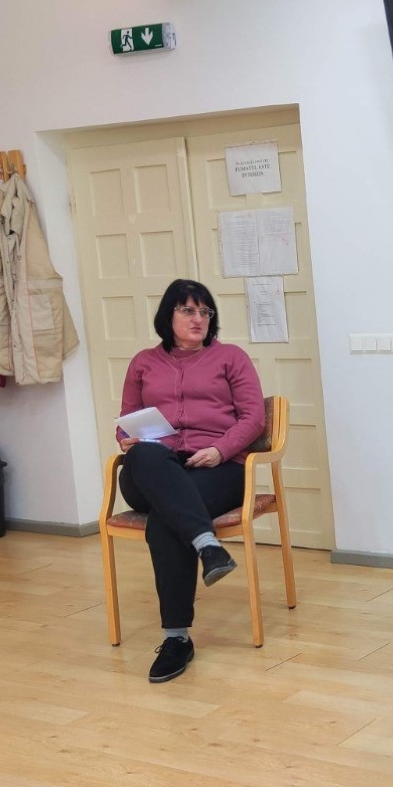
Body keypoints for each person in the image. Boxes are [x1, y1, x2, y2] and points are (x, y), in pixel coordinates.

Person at [117, 279, 265, 684]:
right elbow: (126, 420)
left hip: (216, 469)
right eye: (187, 310)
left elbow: (254, 417)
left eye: (204, 311)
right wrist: (128, 439)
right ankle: (207, 546)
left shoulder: (231, 358)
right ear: (168, 316)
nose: (198, 318)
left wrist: (220, 449)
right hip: (155, 469)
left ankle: (176, 638)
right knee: (145, 456)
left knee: (167, 519)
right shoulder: (143, 363)